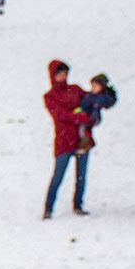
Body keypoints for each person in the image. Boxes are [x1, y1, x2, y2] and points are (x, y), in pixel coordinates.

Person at [42, 60, 92, 219]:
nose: (63, 76)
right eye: (59, 74)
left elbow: (90, 102)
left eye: (64, 73)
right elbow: (60, 115)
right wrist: (79, 117)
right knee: (58, 176)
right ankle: (48, 208)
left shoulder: (75, 89)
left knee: (81, 176)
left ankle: (78, 205)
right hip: (64, 142)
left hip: (82, 139)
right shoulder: (50, 97)